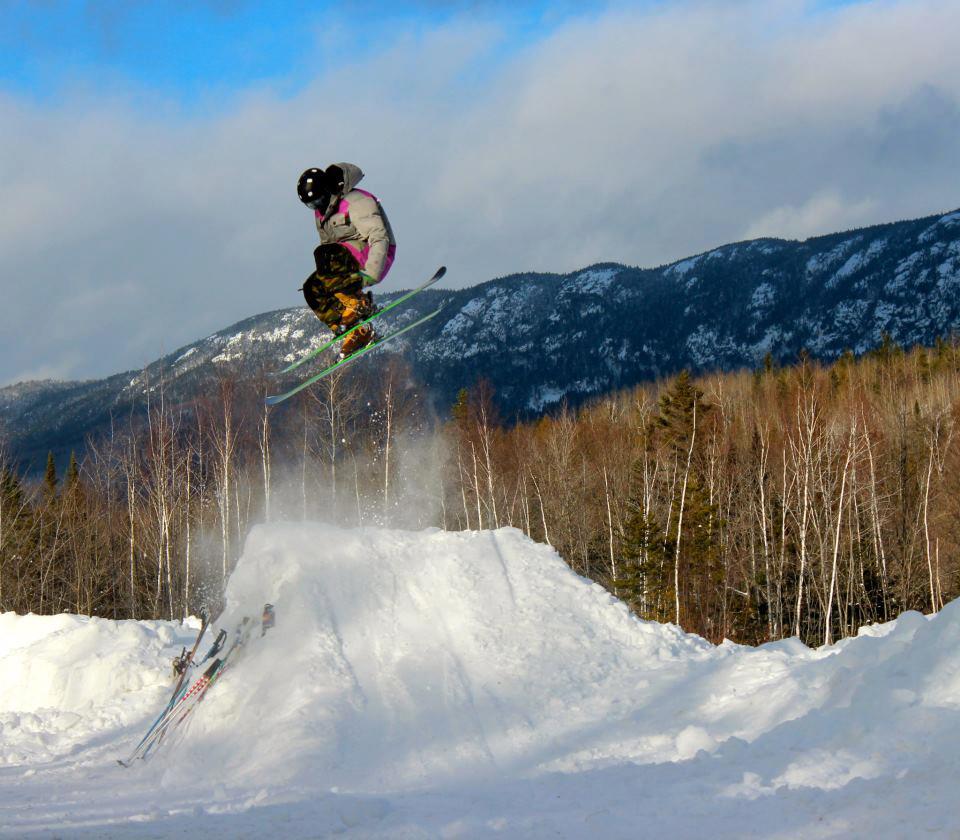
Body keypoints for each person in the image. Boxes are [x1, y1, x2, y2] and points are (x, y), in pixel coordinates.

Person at [296, 163, 397, 356]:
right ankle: (354, 330)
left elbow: (379, 237)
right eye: (310, 205)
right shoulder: (320, 213)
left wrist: (372, 273)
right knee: (312, 289)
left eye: (317, 201)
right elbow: (327, 247)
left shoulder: (356, 201)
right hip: (343, 260)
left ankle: (359, 305)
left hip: (373, 255)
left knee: (325, 255)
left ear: (326, 190)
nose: (316, 207)